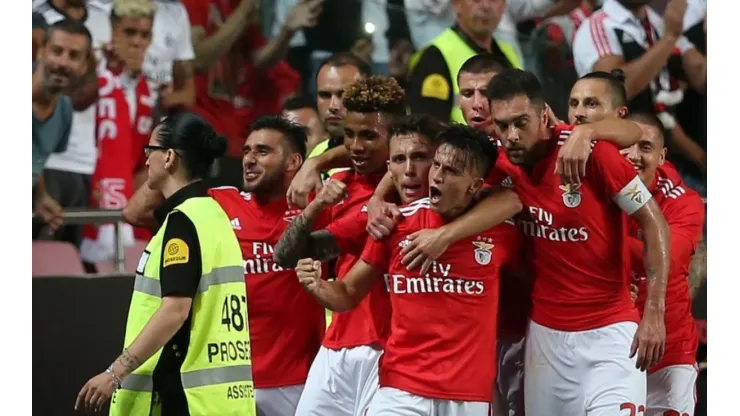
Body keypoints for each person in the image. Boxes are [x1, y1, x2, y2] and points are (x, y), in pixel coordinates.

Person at [295, 124, 521, 415]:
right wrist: (317, 285)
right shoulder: (396, 223)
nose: (436, 175)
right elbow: (348, 293)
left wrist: (444, 237)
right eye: (436, 165)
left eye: (450, 171)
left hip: (468, 394)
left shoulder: (501, 231)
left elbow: (514, 203)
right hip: (402, 389)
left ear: (475, 186)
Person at [121, 114, 329, 416]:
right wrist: (171, 157)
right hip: (232, 382)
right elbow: (134, 212)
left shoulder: (316, 209)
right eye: (246, 151)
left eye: (262, 151)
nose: (249, 160)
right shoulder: (215, 204)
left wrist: (315, 165)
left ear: (293, 162)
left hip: (299, 379)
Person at [489, 69, 670, 415]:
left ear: (543, 115)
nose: (511, 135)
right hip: (545, 342)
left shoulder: (593, 155)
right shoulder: (498, 160)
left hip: (611, 335)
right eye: (502, 125)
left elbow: (654, 222)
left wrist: (653, 313)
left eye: (520, 123)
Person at [75, 112, 256, 416]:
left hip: (186, 398)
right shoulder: (213, 214)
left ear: (169, 157)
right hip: (223, 400)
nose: (145, 161)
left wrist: (114, 372)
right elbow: (135, 211)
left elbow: (175, 310)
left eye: (151, 151)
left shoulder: (183, 222)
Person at [273, 75, 405, 416]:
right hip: (339, 344)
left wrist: (319, 162)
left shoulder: (414, 187)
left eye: (369, 136)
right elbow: (284, 256)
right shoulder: (339, 184)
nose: (357, 146)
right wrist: (316, 201)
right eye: (349, 135)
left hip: (394, 349)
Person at [621, 113, 704, 416]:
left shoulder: (684, 201)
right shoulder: (590, 188)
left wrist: (596, 235)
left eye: (644, 147)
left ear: (661, 155)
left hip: (670, 350)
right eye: (625, 146)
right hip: (608, 346)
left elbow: (671, 255)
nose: (633, 156)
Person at [407, 0, 519, 123]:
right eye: (476, 0)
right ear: (457, 4)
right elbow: (427, 131)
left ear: (504, 6)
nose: (486, 6)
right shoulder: (434, 57)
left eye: (493, 0)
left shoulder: (510, 54)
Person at [33, 19, 92, 233]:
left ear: (85, 66)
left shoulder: (65, 111)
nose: (63, 62)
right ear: (41, 52)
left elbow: (34, 158)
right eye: (57, 51)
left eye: (74, 56)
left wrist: (40, 195)